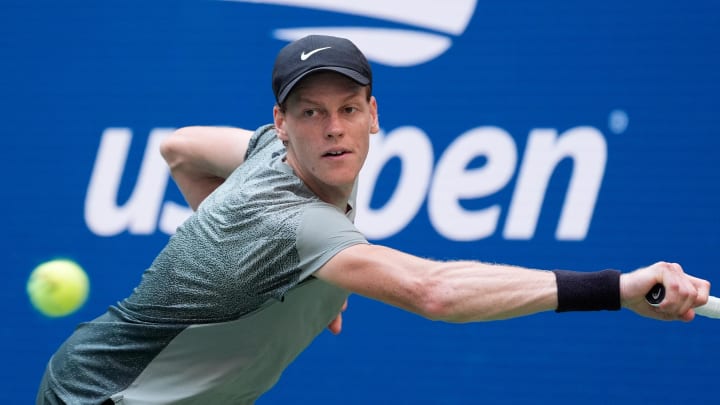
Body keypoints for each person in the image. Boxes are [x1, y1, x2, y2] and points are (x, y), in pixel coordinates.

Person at [37, 34, 710, 405]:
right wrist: (618, 289)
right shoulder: (292, 225)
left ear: (373, 113)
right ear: (282, 123)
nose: (333, 129)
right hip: (101, 396)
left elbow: (178, 146)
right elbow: (434, 290)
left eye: (348, 108)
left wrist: (260, 279)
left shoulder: (269, 152)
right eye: (309, 113)